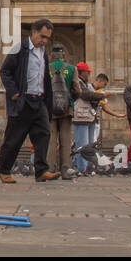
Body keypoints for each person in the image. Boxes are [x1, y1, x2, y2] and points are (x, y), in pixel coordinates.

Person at [0, 18, 58, 183]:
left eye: (47, 38)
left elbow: (44, 78)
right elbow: (5, 71)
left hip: (39, 100)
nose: (44, 41)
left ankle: (41, 170)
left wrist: (47, 101)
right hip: (23, 100)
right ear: (34, 32)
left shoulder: (43, 53)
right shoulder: (19, 49)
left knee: (43, 134)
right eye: (42, 37)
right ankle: (4, 170)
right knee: (14, 137)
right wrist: (13, 92)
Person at [70, 63, 107, 172]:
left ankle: (86, 167)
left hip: (88, 117)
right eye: (87, 72)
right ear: (81, 72)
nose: (89, 73)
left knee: (89, 144)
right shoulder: (77, 82)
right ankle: (81, 168)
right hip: (81, 116)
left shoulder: (84, 83)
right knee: (83, 144)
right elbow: (86, 95)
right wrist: (103, 95)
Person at [47, 44, 77, 177]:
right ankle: (66, 169)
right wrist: (71, 100)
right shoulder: (71, 69)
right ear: (64, 55)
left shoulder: (45, 68)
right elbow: (77, 89)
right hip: (66, 108)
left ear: (51, 56)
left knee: (51, 139)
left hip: (49, 107)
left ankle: (50, 169)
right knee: (65, 139)